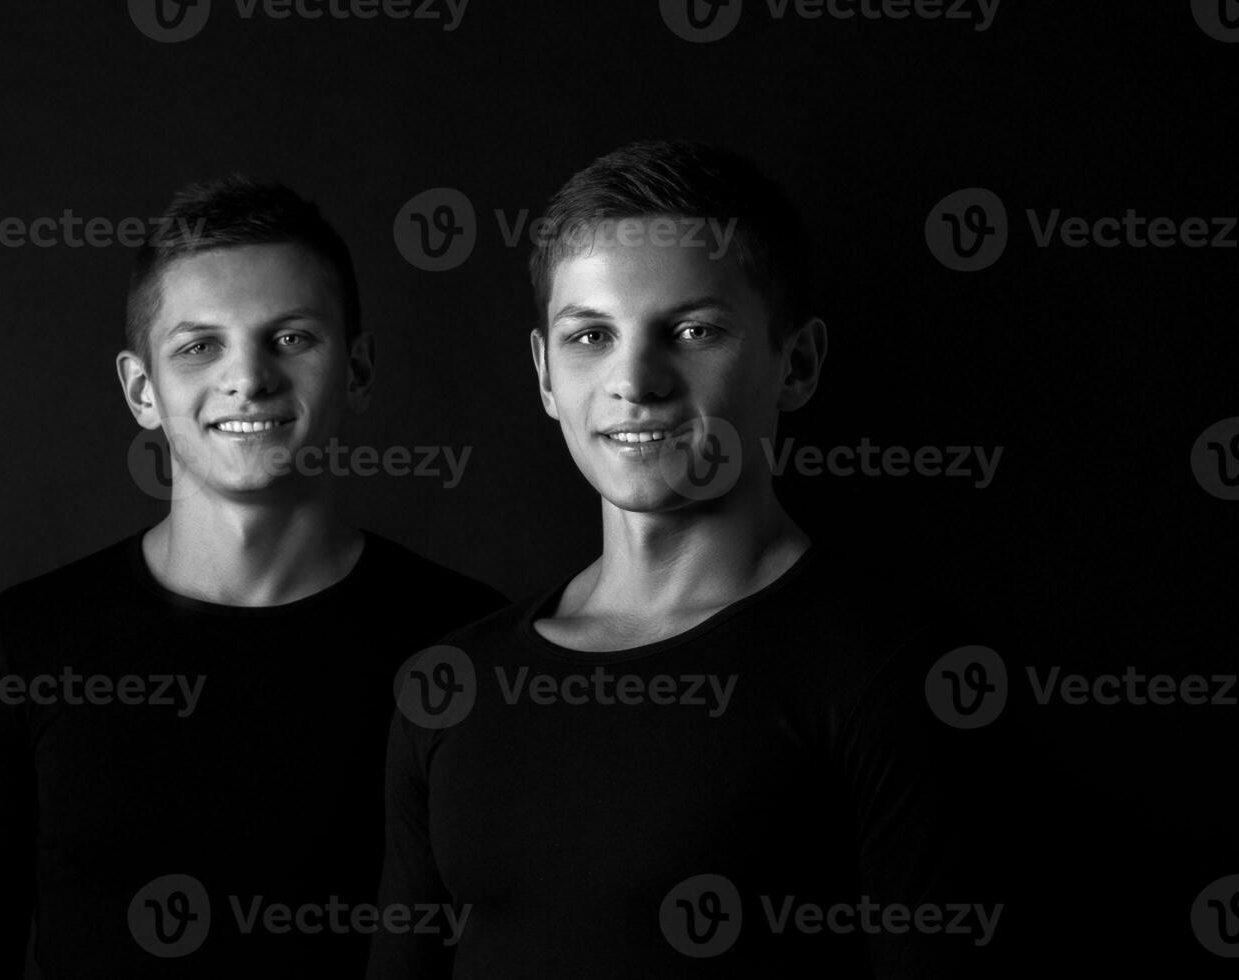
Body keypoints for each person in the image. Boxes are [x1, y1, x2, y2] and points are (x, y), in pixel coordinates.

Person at [367, 140, 1000, 978]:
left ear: (797, 363)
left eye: (695, 330)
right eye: (590, 334)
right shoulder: (450, 687)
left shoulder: (894, 673)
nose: (635, 378)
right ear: (546, 375)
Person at [0, 175, 507, 977]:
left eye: (292, 338)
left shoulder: (467, 645)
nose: (248, 378)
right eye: (199, 346)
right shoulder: (30, 643)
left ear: (359, 370)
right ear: (140, 390)